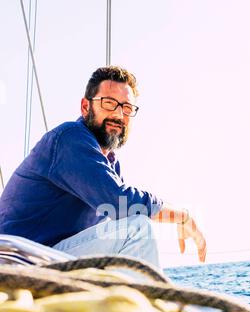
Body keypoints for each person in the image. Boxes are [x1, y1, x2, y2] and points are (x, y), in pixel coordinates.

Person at [0, 66, 206, 269]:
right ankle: (147, 301)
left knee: (123, 229)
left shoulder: (111, 164)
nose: (118, 114)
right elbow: (119, 202)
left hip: (47, 258)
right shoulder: (69, 138)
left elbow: (117, 215)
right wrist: (181, 216)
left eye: (127, 108)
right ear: (85, 107)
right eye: (109, 103)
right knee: (137, 230)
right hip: (17, 260)